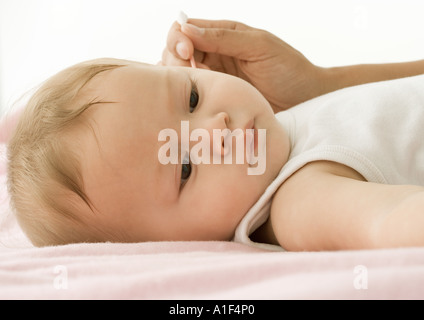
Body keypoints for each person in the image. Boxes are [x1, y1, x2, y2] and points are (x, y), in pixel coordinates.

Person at [6, 18, 424, 251]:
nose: (214, 128)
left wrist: (317, 82)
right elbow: (387, 223)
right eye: (185, 167)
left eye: (190, 98)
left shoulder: (289, 129)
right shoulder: (298, 202)